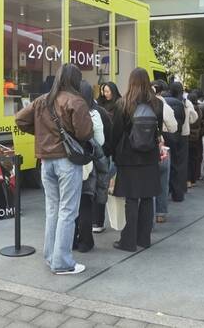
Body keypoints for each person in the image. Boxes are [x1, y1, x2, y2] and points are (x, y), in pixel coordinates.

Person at [15, 64, 93, 275]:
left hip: (46, 162)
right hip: (67, 162)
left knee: (52, 210)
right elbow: (85, 133)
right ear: (75, 80)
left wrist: (42, 134)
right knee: (68, 211)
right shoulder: (76, 101)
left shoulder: (42, 100)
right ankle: (62, 263)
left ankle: (51, 257)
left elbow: (20, 119)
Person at [111, 68, 163, 251]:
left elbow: (116, 133)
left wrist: (112, 154)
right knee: (147, 198)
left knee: (131, 200)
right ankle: (144, 239)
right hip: (150, 157)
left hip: (128, 157)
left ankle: (128, 241)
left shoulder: (122, 103)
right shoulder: (157, 104)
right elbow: (158, 131)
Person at [73, 80, 105, 253]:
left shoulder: (66, 110)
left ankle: (70, 240)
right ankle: (85, 242)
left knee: (69, 205)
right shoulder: (93, 114)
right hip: (86, 164)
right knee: (85, 203)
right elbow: (100, 141)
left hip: (67, 163)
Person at [93, 81, 121, 233]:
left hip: (107, 148)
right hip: (103, 149)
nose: (105, 94)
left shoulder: (118, 105)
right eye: (104, 91)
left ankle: (97, 221)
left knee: (102, 181)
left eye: (108, 91)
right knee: (100, 182)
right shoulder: (100, 106)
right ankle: (97, 221)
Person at [151, 80, 178, 223]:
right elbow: (173, 127)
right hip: (161, 146)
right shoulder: (164, 106)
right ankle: (160, 213)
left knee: (148, 181)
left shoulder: (140, 103)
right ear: (161, 91)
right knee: (162, 179)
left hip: (143, 148)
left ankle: (148, 214)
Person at [187, 90, 203, 188]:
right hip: (197, 136)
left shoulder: (189, 109)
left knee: (188, 159)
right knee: (194, 159)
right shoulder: (200, 110)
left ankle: (188, 180)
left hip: (188, 136)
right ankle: (193, 180)